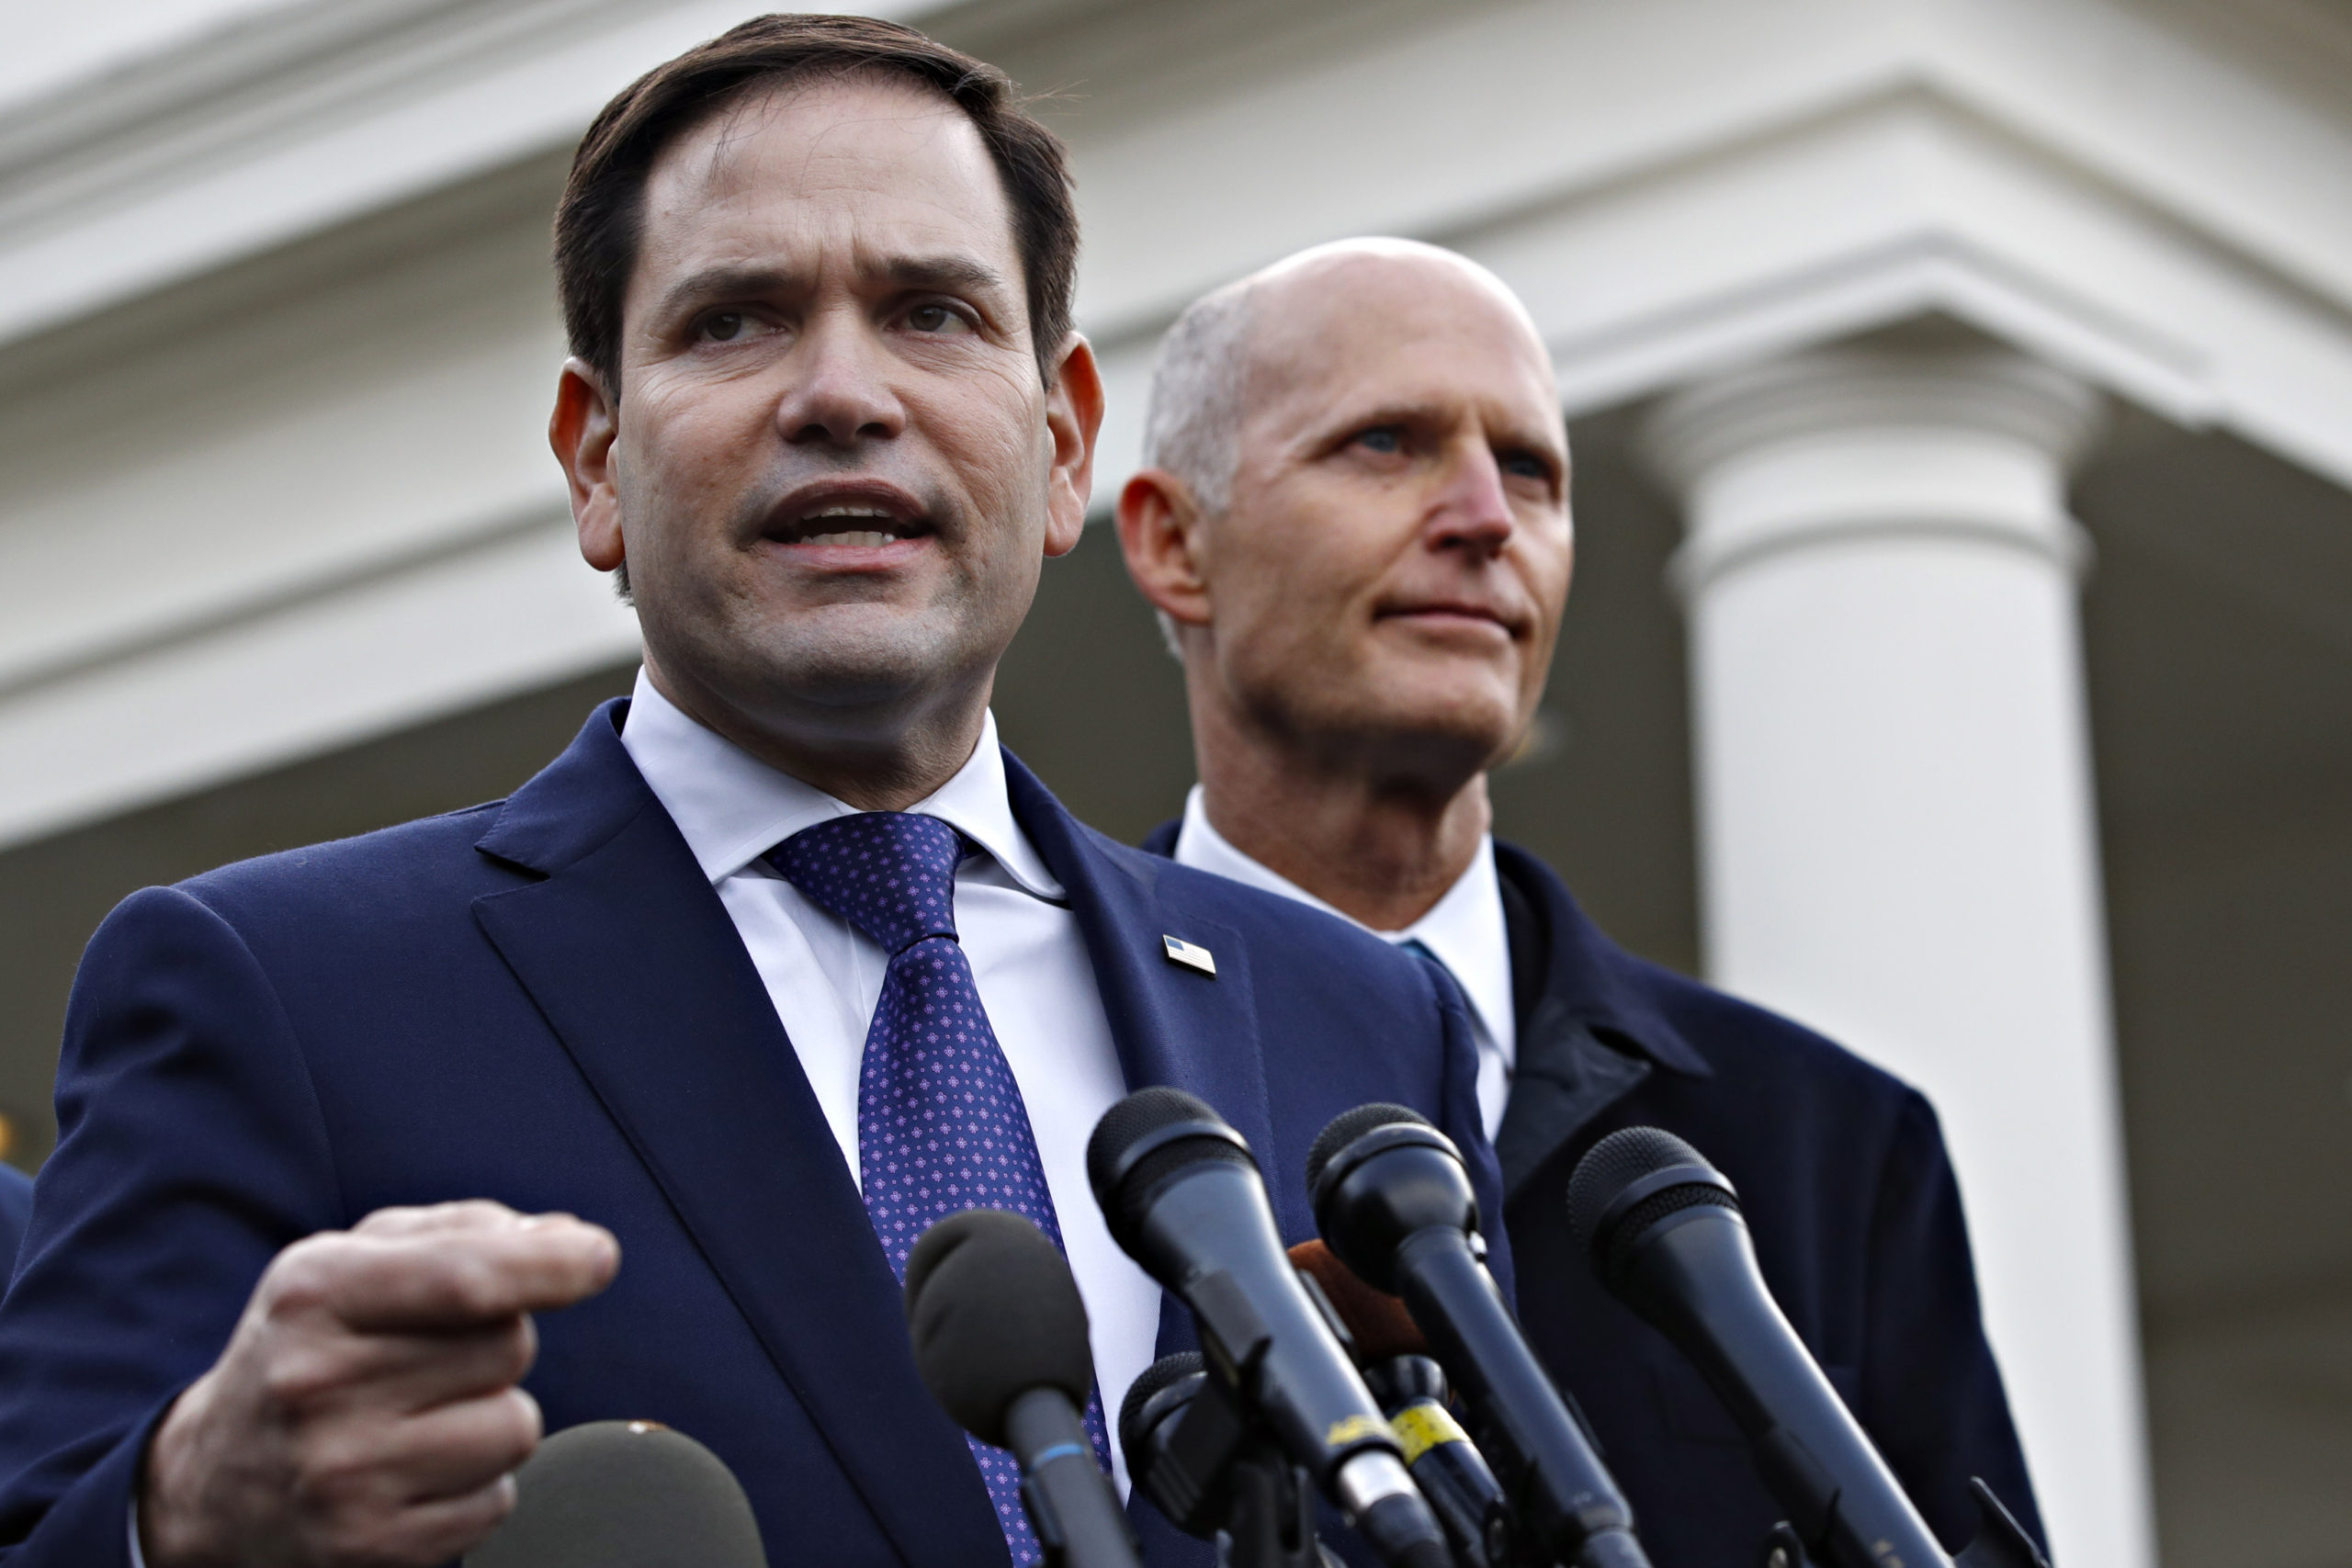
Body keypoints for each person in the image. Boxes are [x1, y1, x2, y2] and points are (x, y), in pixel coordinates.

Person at [0, 27, 1500, 1568]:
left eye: (930, 313)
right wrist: (178, 1515)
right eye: (735, 323)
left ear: (1061, 449)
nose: (843, 394)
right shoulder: (283, 996)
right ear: (596, 465)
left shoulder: (1363, 1022)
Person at [1114, 239, 2044, 1567]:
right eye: (1386, 444)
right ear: (1172, 542)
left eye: (1533, 471)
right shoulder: (1017, 1071)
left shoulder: (1829, 1146)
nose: (1486, 517)